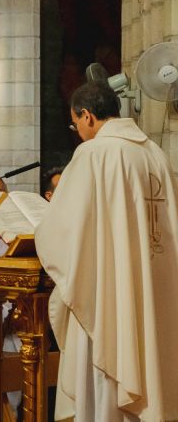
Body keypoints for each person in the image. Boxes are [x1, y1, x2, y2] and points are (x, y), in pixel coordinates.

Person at [35, 82, 178, 422]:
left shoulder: (94, 154)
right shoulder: (153, 153)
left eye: (76, 124)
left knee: (109, 372)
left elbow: (62, 230)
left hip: (107, 293)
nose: (78, 133)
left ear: (87, 116)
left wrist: (40, 231)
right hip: (154, 282)